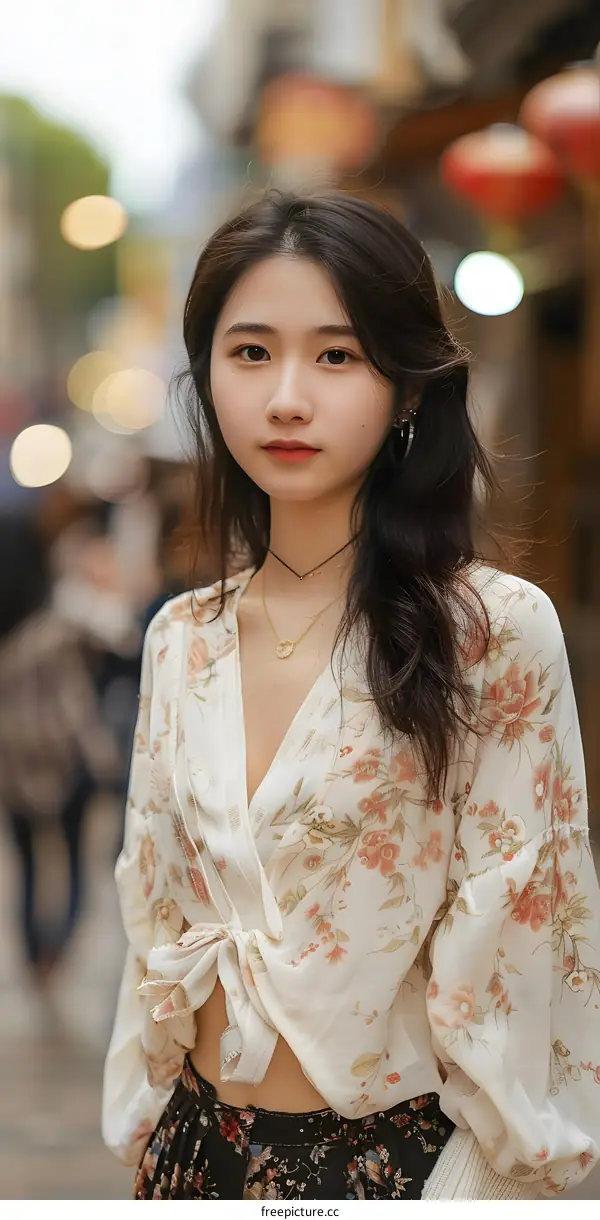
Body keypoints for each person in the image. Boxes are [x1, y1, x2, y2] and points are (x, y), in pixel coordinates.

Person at [102, 192, 600, 1200]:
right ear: (207, 377)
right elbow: (152, 915)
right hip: (197, 1153)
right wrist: (148, 1133)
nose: (287, 397)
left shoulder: (493, 633)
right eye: (250, 353)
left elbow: (532, 933)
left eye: (336, 355)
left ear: (408, 388)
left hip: (406, 1164)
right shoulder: (180, 638)